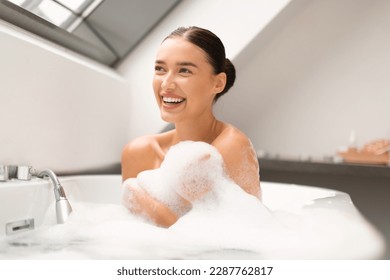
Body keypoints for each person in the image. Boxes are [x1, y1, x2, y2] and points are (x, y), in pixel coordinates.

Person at [121, 26, 261, 227]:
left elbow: (245, 238)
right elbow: (131, 233)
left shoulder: (231, 146)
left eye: (184, 71)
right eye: (160, 69)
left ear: (218, 83)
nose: (166, 84)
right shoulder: (138, 152)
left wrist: (136, 194)